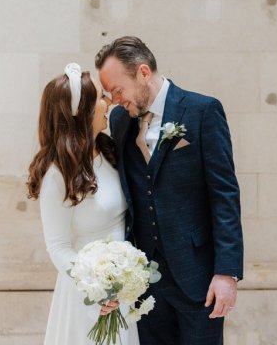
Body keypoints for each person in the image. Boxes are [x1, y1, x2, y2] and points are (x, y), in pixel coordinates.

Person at [95, 36, 244, 345]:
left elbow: (225, 195)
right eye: (109, 94)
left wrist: (227, 272)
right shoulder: (120, 120)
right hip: (144, 281)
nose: (114, 100)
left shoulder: (202, 111)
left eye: (118, 90)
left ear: (143, 72)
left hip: (199, 277)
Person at [27, 63, 139, 345]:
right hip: (88, 294)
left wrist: (121, 282)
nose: (109, 101)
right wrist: (99, 286)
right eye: (101, 98)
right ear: (84, 113)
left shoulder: (110, 151)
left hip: (121, 288)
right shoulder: (58, 173)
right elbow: (58, 246)